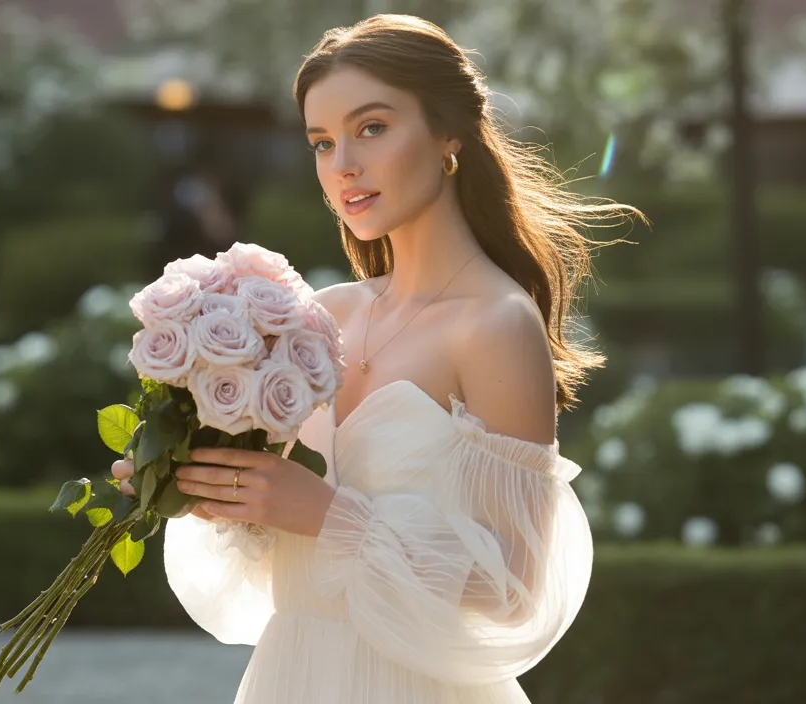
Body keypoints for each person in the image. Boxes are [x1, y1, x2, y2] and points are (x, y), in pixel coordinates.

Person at [112, 14, 639, 703]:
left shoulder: (497, 324)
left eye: (372, 128)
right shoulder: (321, 316)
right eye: (323, 142)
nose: (343, 166)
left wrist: (333, 517)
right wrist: (212, 489)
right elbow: (283, 542)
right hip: (291, 676)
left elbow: (515, 589)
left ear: (449, 134)